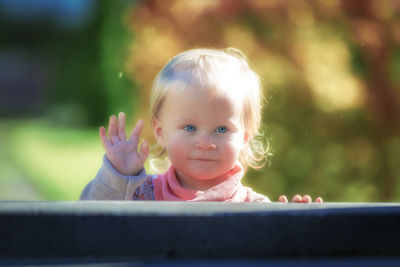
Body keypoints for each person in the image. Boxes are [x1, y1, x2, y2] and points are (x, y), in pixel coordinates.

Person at [80, 48, 322, 203]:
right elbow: (89, 226)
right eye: (189, 128)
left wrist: (294, 224)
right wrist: (118, 176)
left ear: (245, 137)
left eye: (221, 129)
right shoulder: (144, 195)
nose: (205, 143)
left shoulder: (252, 207)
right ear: (160, 132)